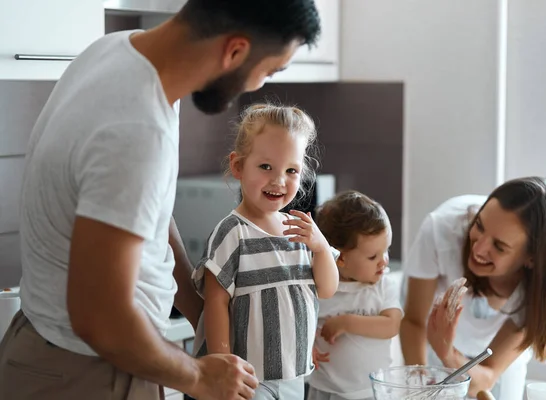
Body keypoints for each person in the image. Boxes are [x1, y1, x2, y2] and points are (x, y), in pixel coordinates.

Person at [0, 1, 322, 399]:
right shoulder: (137, 127)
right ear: (234, 51)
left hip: (68, 354)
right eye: (268, 70)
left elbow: (146, 211)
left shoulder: (115, 52)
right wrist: (199, 377)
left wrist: (194, 305)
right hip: (88, 370)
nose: (257, 86)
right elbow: (98, 319)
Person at [191, 104, 339, 400]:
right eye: (265, 167)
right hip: (247, 380)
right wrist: (223, 367)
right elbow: (216, 304)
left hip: (294, 376)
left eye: (291, 170)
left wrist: (321, 247)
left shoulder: (300, 230)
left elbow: (327, 289)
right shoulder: (234, 233)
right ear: (238, 166)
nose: (279, 180)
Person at [400, 177, 546, 399]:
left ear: (532, 258)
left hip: (474, 356)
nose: (479, 248)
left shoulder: (539, 291)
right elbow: (414, 321)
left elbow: (487, 377)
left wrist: (447, 352)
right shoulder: (442, 229)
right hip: (431, 336)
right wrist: (420, 387)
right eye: (479, 225)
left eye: (499, 246)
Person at [306, 190, 403, 400]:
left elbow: (391, 325)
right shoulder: (319, 286)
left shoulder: (384, 285)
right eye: (372, 256)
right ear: (340, 258)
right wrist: (307, 346)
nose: (384, 261)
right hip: (325, 391)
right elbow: (300, 322)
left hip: (372, 391)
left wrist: (347, 322)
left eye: (385, 251)